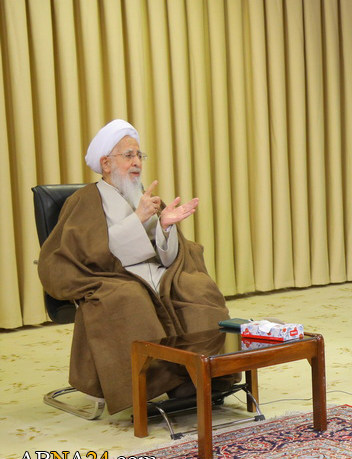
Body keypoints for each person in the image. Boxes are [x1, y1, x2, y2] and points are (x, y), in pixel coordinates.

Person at [38, 119, 233, 414]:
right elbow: (90, 254)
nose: (137, 162)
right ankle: (157, 384)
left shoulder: (144, 196)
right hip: (111, 277)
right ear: (105, 163)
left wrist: (165, 228)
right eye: (128, 155)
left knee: (197, 287)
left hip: (158, 274)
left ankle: (208, 375)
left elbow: (168, 257)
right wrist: (137, 219)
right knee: (130, 299)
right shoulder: (84, 200)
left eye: (139, 155)